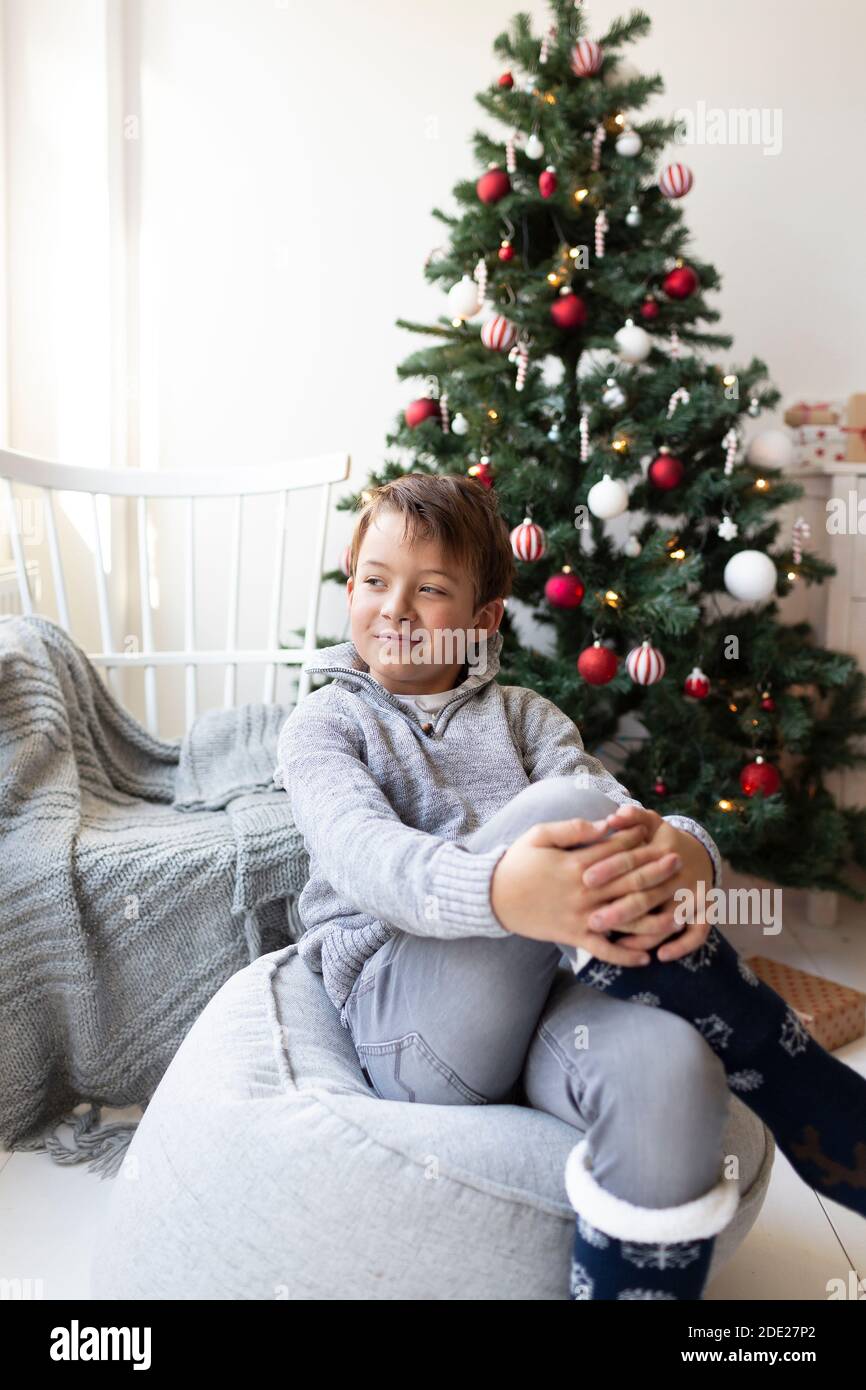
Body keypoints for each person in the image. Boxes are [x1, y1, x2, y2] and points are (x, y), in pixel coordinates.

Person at [274, 472, 866, 1301]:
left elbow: (627, 823)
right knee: (560, 808)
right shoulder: (327, 726)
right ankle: (781, 1059)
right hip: (415, 1023)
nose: (395, 609)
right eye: (374, 581)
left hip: (556, 1001)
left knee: (677, 1066)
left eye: (430, 589)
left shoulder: (528, 718)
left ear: (482, 622)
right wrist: (504, 892)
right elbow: (367, 857)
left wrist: (690, 859)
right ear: (351, 586)